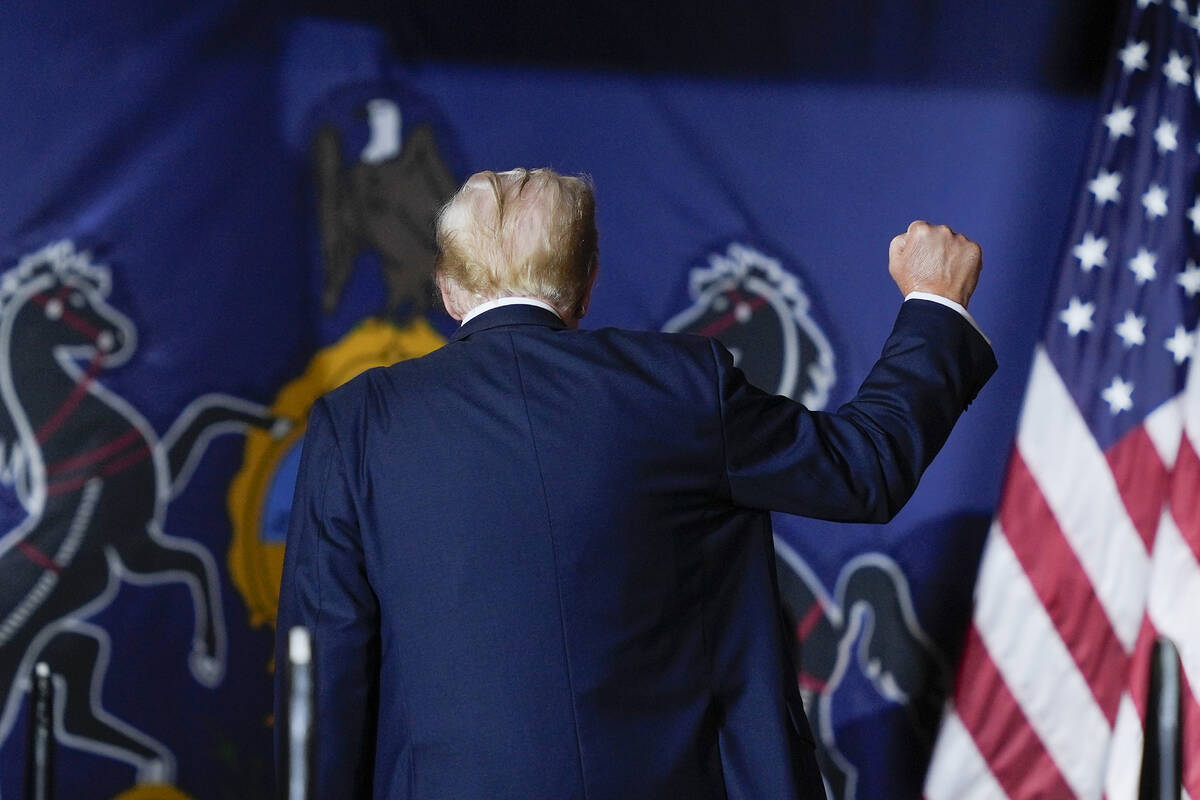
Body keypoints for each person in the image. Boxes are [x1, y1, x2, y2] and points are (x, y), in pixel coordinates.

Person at [275, 167, 996, 799]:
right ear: (586, 284)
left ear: (448, 289)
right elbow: (864, 469)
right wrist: (934, 303)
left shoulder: (357, 427)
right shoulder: (681, 387)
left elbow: (325, 675)